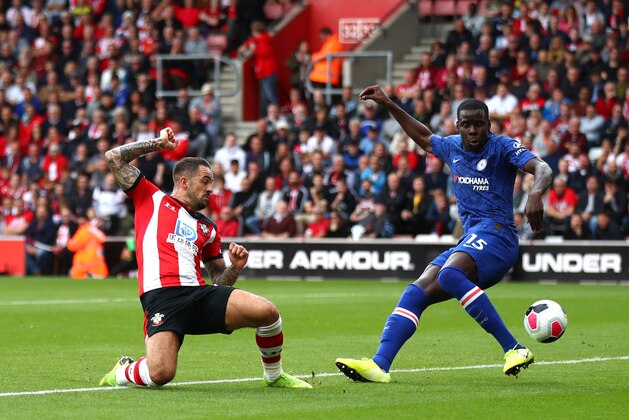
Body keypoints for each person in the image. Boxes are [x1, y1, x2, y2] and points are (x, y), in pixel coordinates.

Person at [336, 86, 552, 383]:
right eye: (467, 125)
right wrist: (388, 103)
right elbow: (424, 137)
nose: (474, 130)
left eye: (480, 124)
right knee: (416, 292)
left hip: (499, 237)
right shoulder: (452, 147)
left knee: (449, 275)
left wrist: (536, 193)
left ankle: (514, 348)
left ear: (489, 125)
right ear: (458, 126)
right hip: (471, 239)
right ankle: (380, 364)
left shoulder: (502, 147)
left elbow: (542, 168)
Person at [98, 128, 311, 389]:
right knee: (161, 374)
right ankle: (122, 372)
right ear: (185, 182)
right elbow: (113, 157)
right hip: (162, 296)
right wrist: (159, 144)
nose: (212, 188)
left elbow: (220, 280)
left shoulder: (208, 227)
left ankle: (274, 375)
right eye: (206, 181)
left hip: (199, 294)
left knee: (267, 312)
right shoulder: (151, 198)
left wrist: (235, 267)